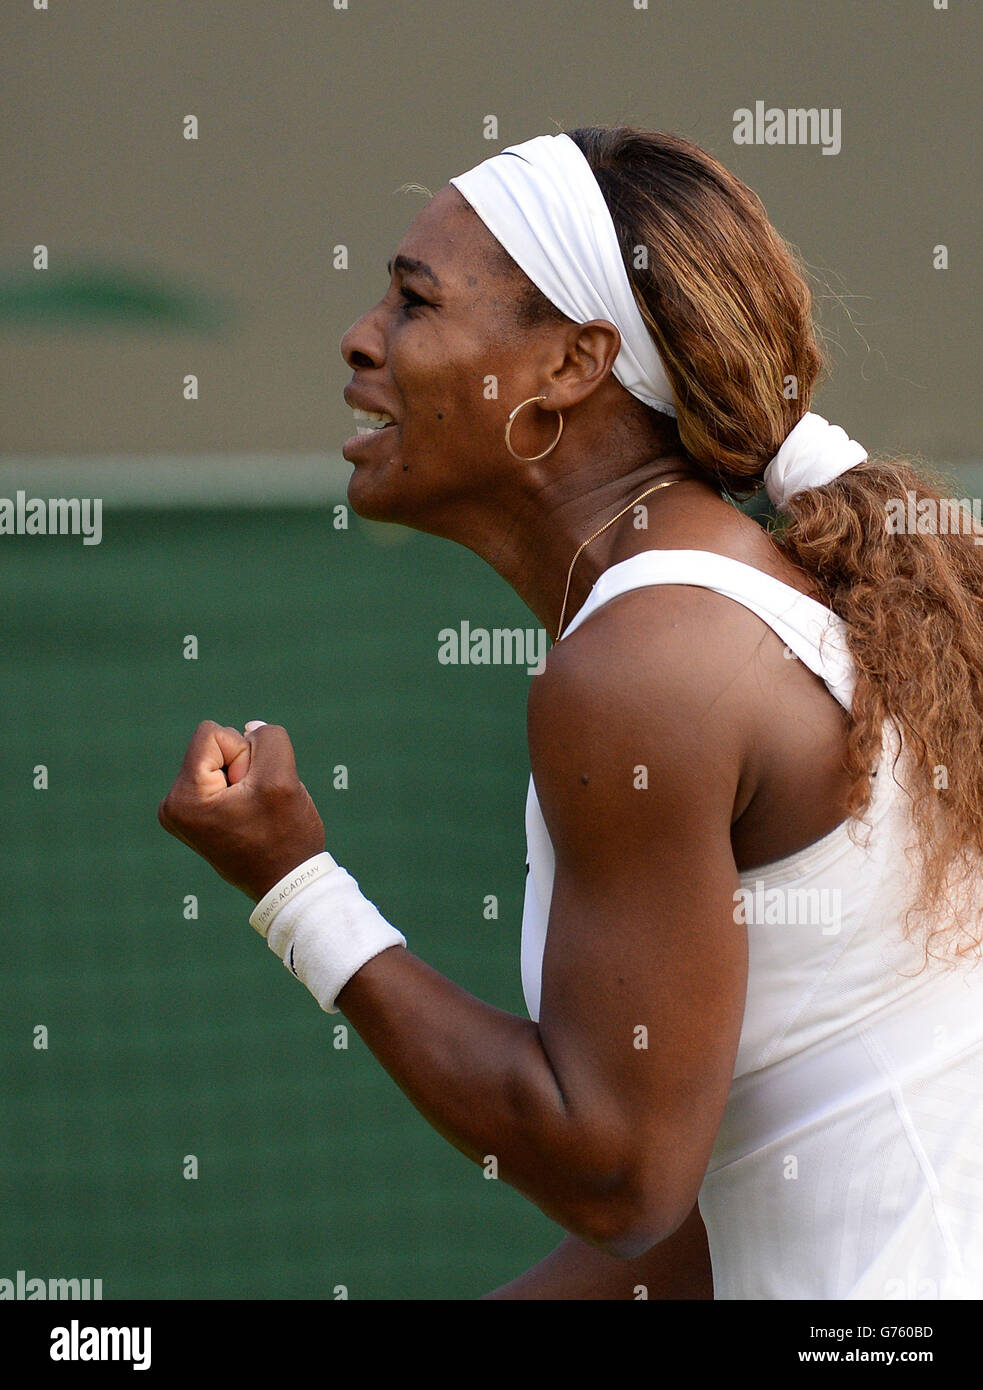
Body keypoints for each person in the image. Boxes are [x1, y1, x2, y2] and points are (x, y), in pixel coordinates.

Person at [158, 125, 983, 1300]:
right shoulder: (768, 614)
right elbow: (730, 1202)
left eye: (412, 300)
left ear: (568, 365)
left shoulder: (642, 669)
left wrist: (299, 892)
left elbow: (619, 1178)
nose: (359, 337)